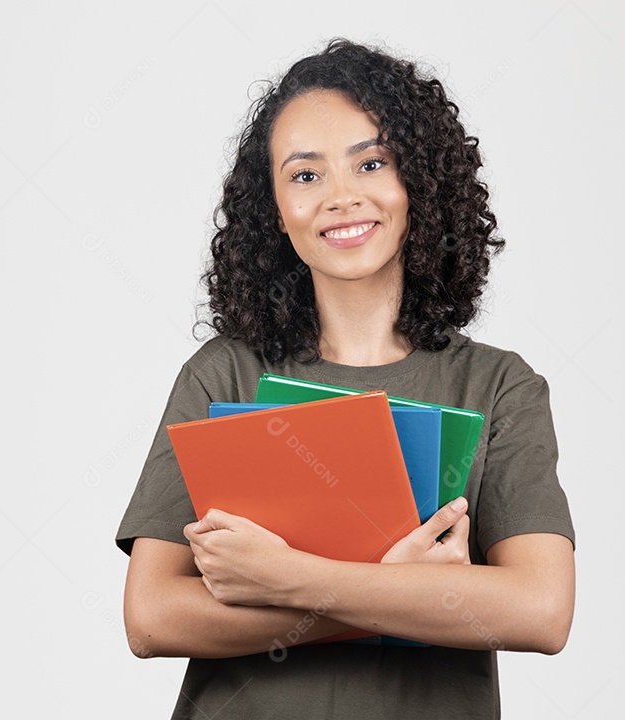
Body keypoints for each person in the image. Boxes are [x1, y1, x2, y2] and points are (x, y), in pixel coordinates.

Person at [115, 37, 575, 719]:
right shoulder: (224, 375)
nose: (341, 197)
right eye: (306, 175)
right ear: (274, 209)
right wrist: (393, 593)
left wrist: (289, 580)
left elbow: (539, 609)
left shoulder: (500, 388)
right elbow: (152, 617)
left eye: (371, 162)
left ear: (416, 181)